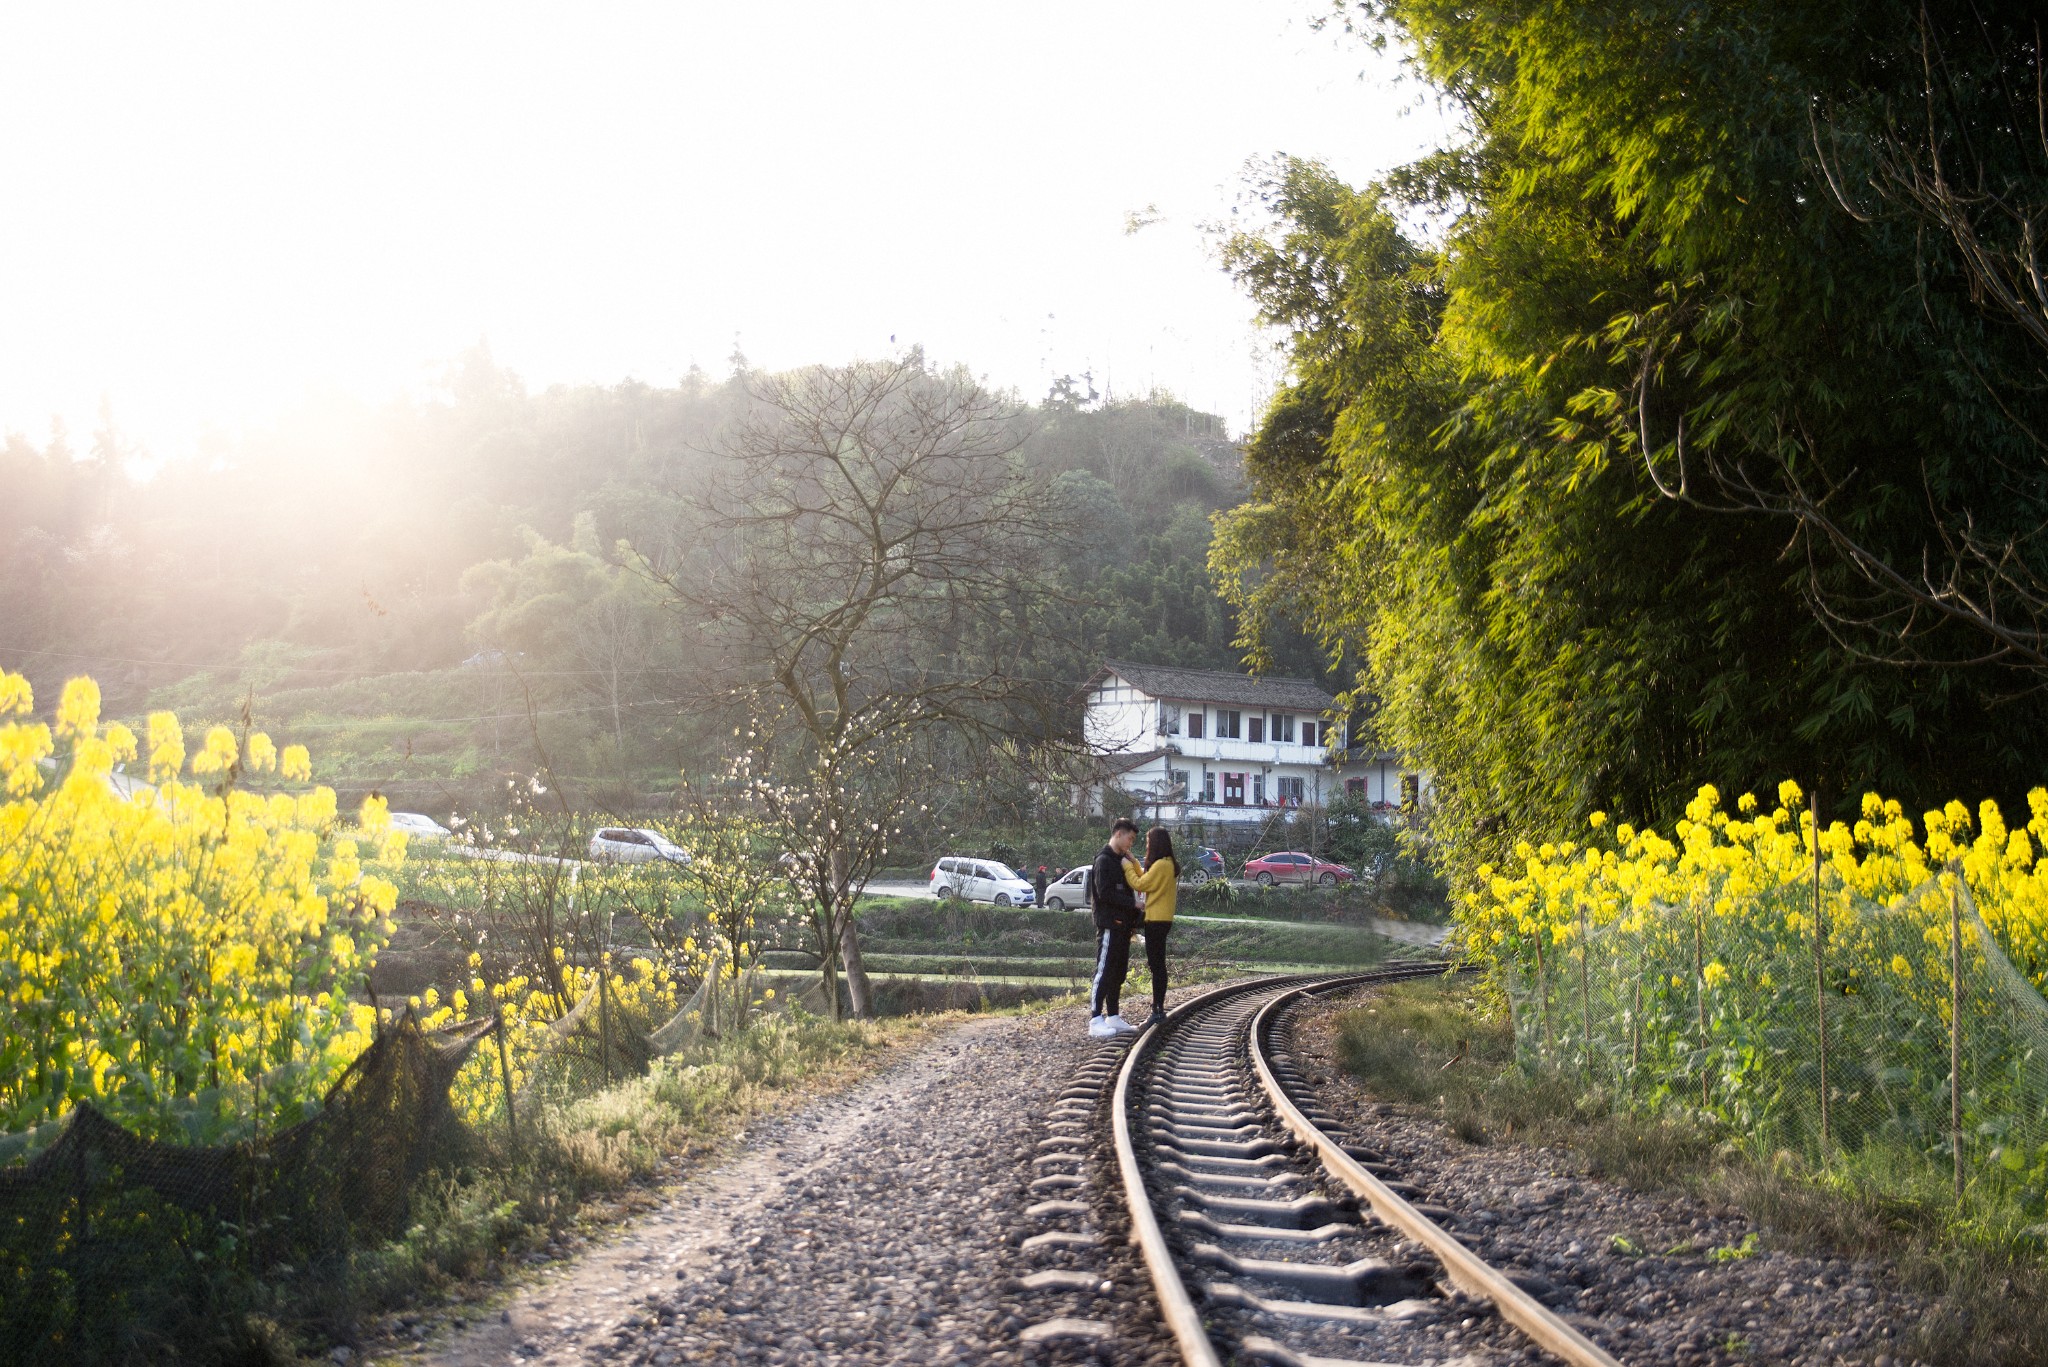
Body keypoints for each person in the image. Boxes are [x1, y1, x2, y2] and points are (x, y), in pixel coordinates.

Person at [1088, 817, 1142, 1037]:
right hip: (1109, 924)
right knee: (1103, 971)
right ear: (1118, 834)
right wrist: (1133, 903)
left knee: (1118, 972)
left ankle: (1113, 1015)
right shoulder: (1104, 860)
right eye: (1130, 838)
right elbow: (1104, 893)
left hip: (1124, 926)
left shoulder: (1122, 860)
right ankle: (1095, 1019)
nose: (1131, 843)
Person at [1123, 826, 1178, 1022]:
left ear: (1155, 844)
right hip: (1162, 919)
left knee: (1157, 966)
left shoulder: (1162, 865)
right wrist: (1134, 861)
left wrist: (1126, 865)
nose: (1147, 846)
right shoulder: (1167, 864)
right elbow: (1147, 877)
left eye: (1148, 842)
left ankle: (1158, 1009)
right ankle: (1158, 1007)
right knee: (1157, 965)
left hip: (1156, 920)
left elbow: (1140, 884)